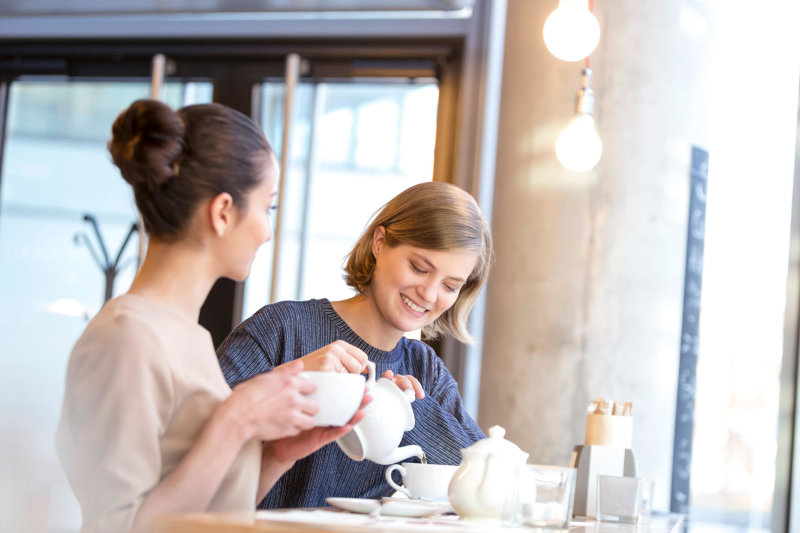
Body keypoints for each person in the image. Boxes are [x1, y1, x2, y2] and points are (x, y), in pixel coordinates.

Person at [55, 99, 368, 533]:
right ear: (222, 212)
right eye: (267, 207)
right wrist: (235, 420)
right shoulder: (126, 338)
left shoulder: (188, 336)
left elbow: (208, 513)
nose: (268, 230)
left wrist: (278, 454)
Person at [217, 180, 493, 508]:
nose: (430, 295)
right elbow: (195, 440)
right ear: (379, 243)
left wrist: (408, 409)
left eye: (450, 286)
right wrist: (292, 376)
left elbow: (486, 481)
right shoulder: (284, 328)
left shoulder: (425, 371)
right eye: (419, 268)